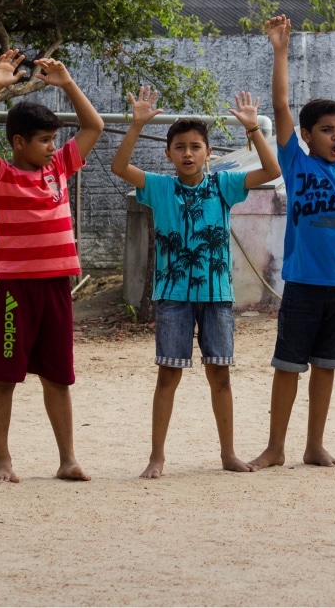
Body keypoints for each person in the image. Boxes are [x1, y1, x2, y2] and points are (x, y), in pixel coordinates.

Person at [110, 87, 281, 477]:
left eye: (196, 146)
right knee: (168, 375)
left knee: (219, 374)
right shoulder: (158, 187)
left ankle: (228, 453)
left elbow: (272, 171)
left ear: (209, 153)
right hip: (172, 297)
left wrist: (254, 130)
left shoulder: (224, 185)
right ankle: (157, 457)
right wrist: (136, 125)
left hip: (217, 296)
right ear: (168, 153)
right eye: (180, 147)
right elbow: (119, 168)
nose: (188, 153)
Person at [247, 15, 335, 469]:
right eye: (327, 129)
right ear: (307, 136)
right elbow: (281, 106)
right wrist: (280, 52)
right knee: (289, 366)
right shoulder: (295, 162)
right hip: (304, 284)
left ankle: (314, 445)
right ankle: (275, 447)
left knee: (327, 366)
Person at [0, 50, 103, 483]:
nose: (51, 147)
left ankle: (67, 459)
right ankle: (1, 460)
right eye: (43, 140)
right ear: (18, 143)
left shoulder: (60, 167)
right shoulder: (0, 174)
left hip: (57, 289)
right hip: (15, 292)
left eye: (53, 140)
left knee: (58, 378)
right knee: (5, 376)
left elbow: (94, 126)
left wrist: (66, 84)